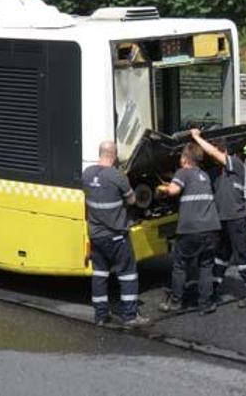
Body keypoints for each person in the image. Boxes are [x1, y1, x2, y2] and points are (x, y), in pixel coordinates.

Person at [191, 129, 246, 308]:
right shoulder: (216, 172)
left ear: (223, 152)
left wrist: (197, 138)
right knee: (221, 255)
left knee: (243, 255)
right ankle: (211, 288)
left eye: (216, 153)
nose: (213, 157)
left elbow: (214, 153)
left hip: (236, 219)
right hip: (222, 220)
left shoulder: (235, 164)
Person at [81, 140, 149, 328]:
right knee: (127, 274)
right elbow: (133, 199)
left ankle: (101, 315)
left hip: (96, 236)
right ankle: (129, 316)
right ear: (114, 155)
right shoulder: (117, 176)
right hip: (117, 236)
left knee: (100, 275)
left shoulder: (86, 174)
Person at [158, 142, 221, 315]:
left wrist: (161, 188)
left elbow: (173, 190)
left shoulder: (183, 172)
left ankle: (176, 302)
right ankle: (205, 304)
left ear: (185, 158)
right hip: (211, 228)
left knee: (180, 265)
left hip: (191, 229)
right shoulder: (204, 175)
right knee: (206, 266)